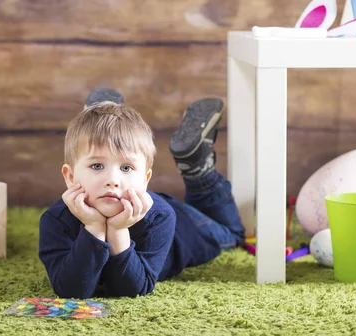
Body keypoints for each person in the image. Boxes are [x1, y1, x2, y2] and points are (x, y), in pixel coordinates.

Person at [38, 88, 245, 298]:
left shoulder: (160, 217)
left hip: (189, 227)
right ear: (70, 177)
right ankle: (102, 119)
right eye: (97, 166)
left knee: (233, 234)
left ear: (146, 179)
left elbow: (131, 290)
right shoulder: (55, 220)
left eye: (126, 168)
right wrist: (93, 227)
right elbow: (71, 290)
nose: (112, 180)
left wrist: (118, 231)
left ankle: (198, 170)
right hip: (144, 202)